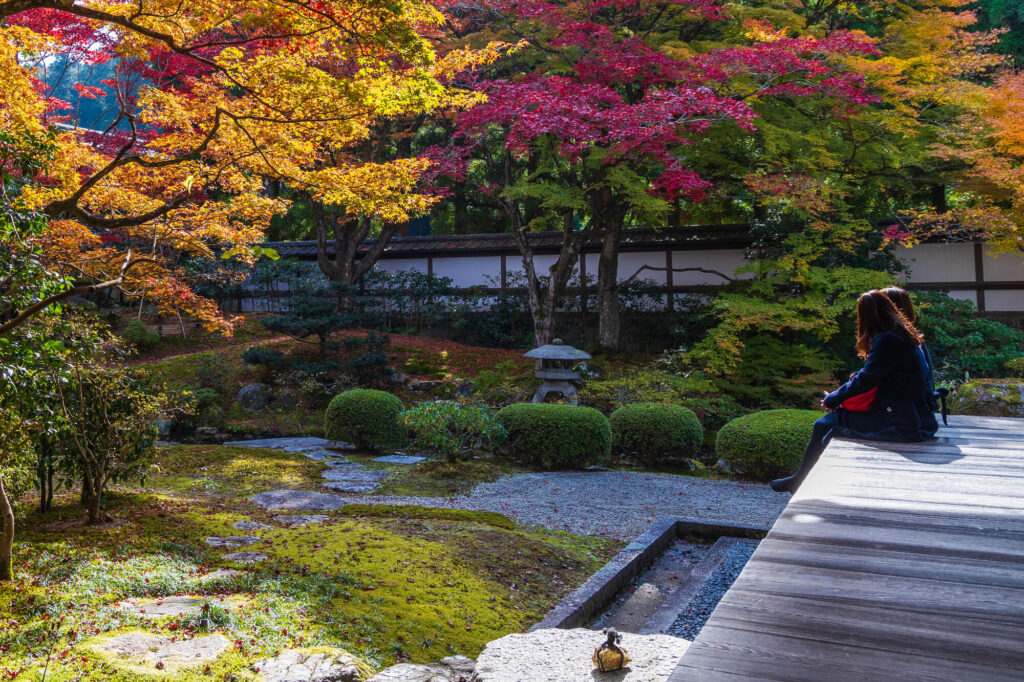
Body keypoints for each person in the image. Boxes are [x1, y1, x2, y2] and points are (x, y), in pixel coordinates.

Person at [770, 290, 939, 493]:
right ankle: (801, 479)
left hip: (903, 420)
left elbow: (865, 381)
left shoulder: (886, 340)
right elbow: (868, 376)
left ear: (865, 316)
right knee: (827, 425)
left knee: (826, 424)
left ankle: (803, 481)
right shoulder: (903, 333)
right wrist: (837, 396)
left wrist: (833, 399)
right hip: (915, 413)